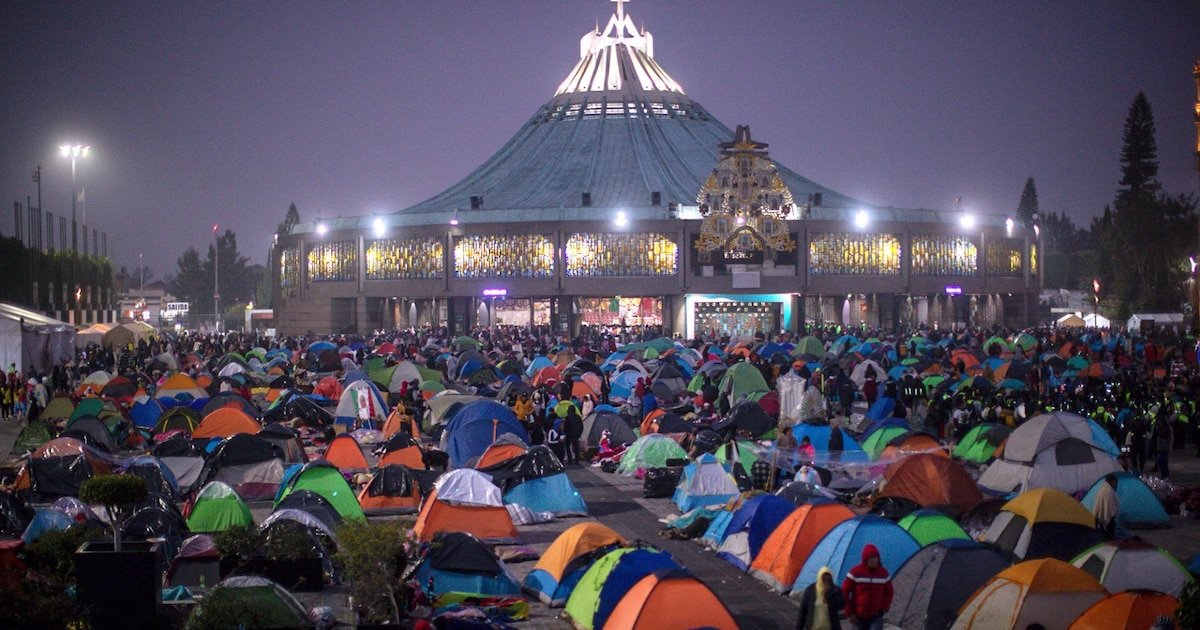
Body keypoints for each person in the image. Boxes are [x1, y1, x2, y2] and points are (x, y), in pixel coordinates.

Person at [842, 544, 892, 630]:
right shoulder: (855, 572)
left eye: (875, 557)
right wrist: (849, 612)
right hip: (858, 616)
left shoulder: (883, 573)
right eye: (871, 558)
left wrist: (884, 608)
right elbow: (844, 591)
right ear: (865, 559)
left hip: (876, 615)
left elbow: (889, 592)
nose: (874, 560)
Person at [1092, 473, 1119, 538]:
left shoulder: (1102, 489)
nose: (1116, 485)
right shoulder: (1109, 491)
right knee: (1111, 526)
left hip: (1097, 518)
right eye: (1115, 483)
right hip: (1106, 520)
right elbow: (1112, 510)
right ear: (1112, 482)